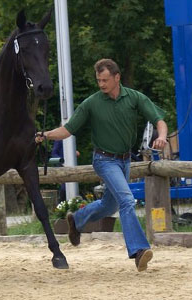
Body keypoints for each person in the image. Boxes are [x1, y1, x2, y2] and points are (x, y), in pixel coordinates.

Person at [36, 58, 168, 272]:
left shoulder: (134, 98)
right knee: (126, 200)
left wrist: (162, 136)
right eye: (98, 80)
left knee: (110, 205)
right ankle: (139, 250)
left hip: (124, 160)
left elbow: (159, 120)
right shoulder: (92, 103)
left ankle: (77, 220)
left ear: (117, 78)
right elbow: (68, 130)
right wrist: (46, 135)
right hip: (104, 160)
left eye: (105, 80)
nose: (101, 84)